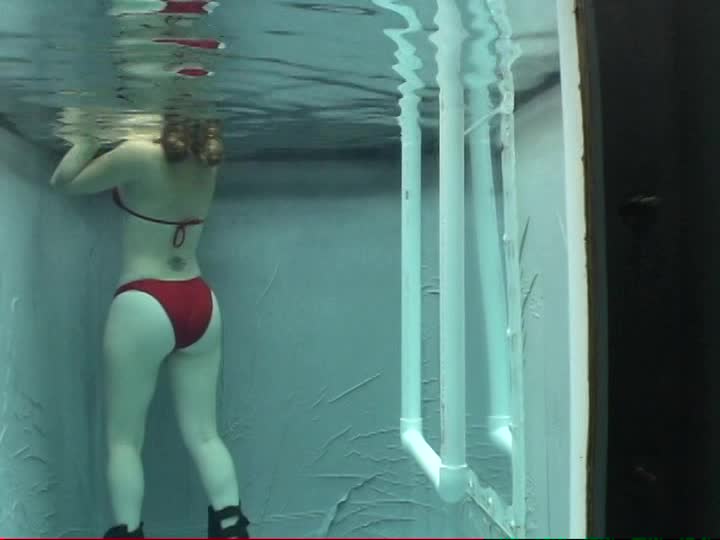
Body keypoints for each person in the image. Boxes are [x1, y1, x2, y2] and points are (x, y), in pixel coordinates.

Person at [50, 116, 249, 538]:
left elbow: (64, 181)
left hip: (144, 302)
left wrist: (88, 131)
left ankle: (128, 532)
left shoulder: (138, 154)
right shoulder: (207, 157)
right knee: (205, 435)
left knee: (124, 441)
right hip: (200, 301)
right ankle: (233, 529)